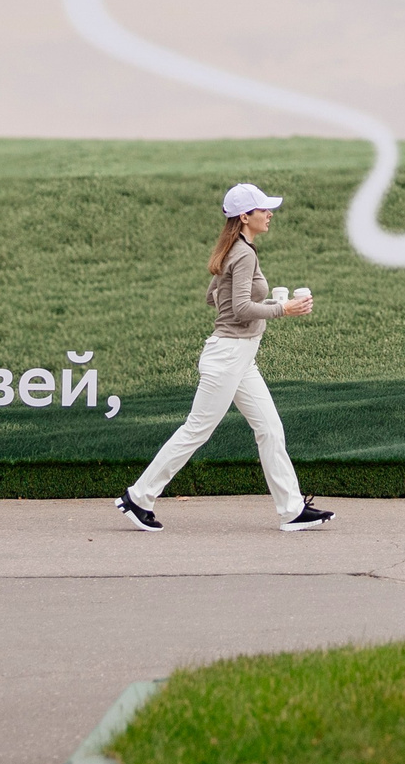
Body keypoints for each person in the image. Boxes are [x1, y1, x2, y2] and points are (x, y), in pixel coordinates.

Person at [117, 182, 335, 534]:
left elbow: (212, 297)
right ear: (244, 217)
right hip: (228, 355)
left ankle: (292, 509)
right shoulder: (244, 253)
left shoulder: (234, 248)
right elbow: (238, 308)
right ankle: (138, 497)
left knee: (269, 428)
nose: (270, 214)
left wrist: (262, 305)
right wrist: (282, 308)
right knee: (196, 430)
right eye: (263, 209)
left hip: (240, 356)